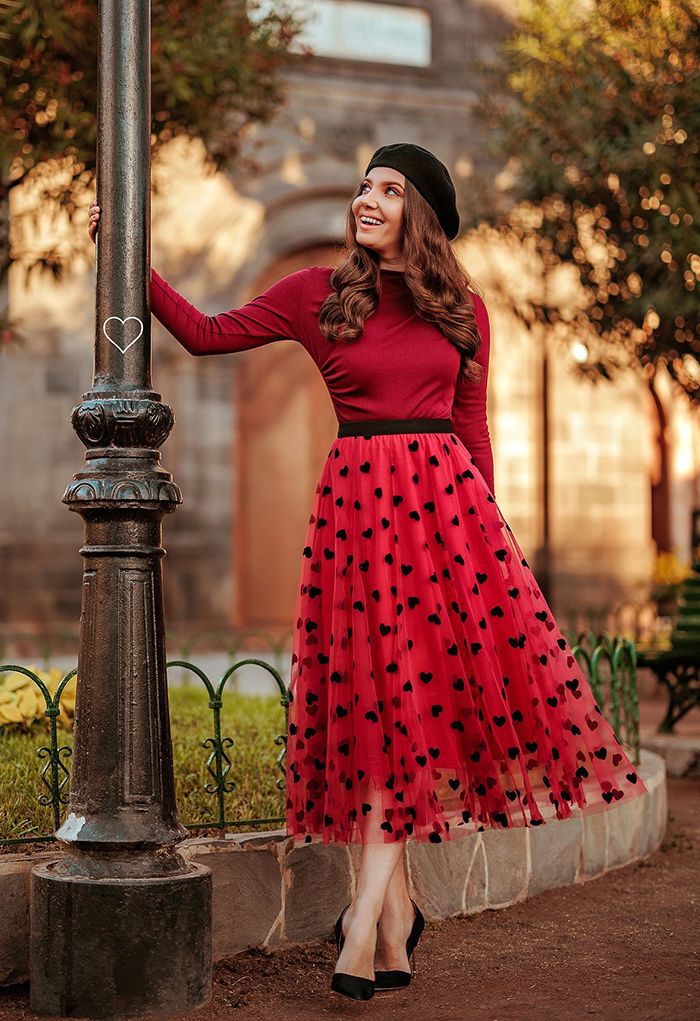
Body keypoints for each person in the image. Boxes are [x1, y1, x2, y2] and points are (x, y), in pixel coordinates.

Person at [88, 142, 648, 1002]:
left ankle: (365, 922)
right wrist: (128, 260)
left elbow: (474, 424)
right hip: (359, 515)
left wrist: (485, 543)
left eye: (389, 189)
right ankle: (392, 918)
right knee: (374, 703)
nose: (367, 198)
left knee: (411, 702)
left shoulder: (465, 308)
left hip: (447, 521)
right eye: (364, 185)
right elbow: (206, 334)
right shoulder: (317, 293)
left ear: (421, 212)